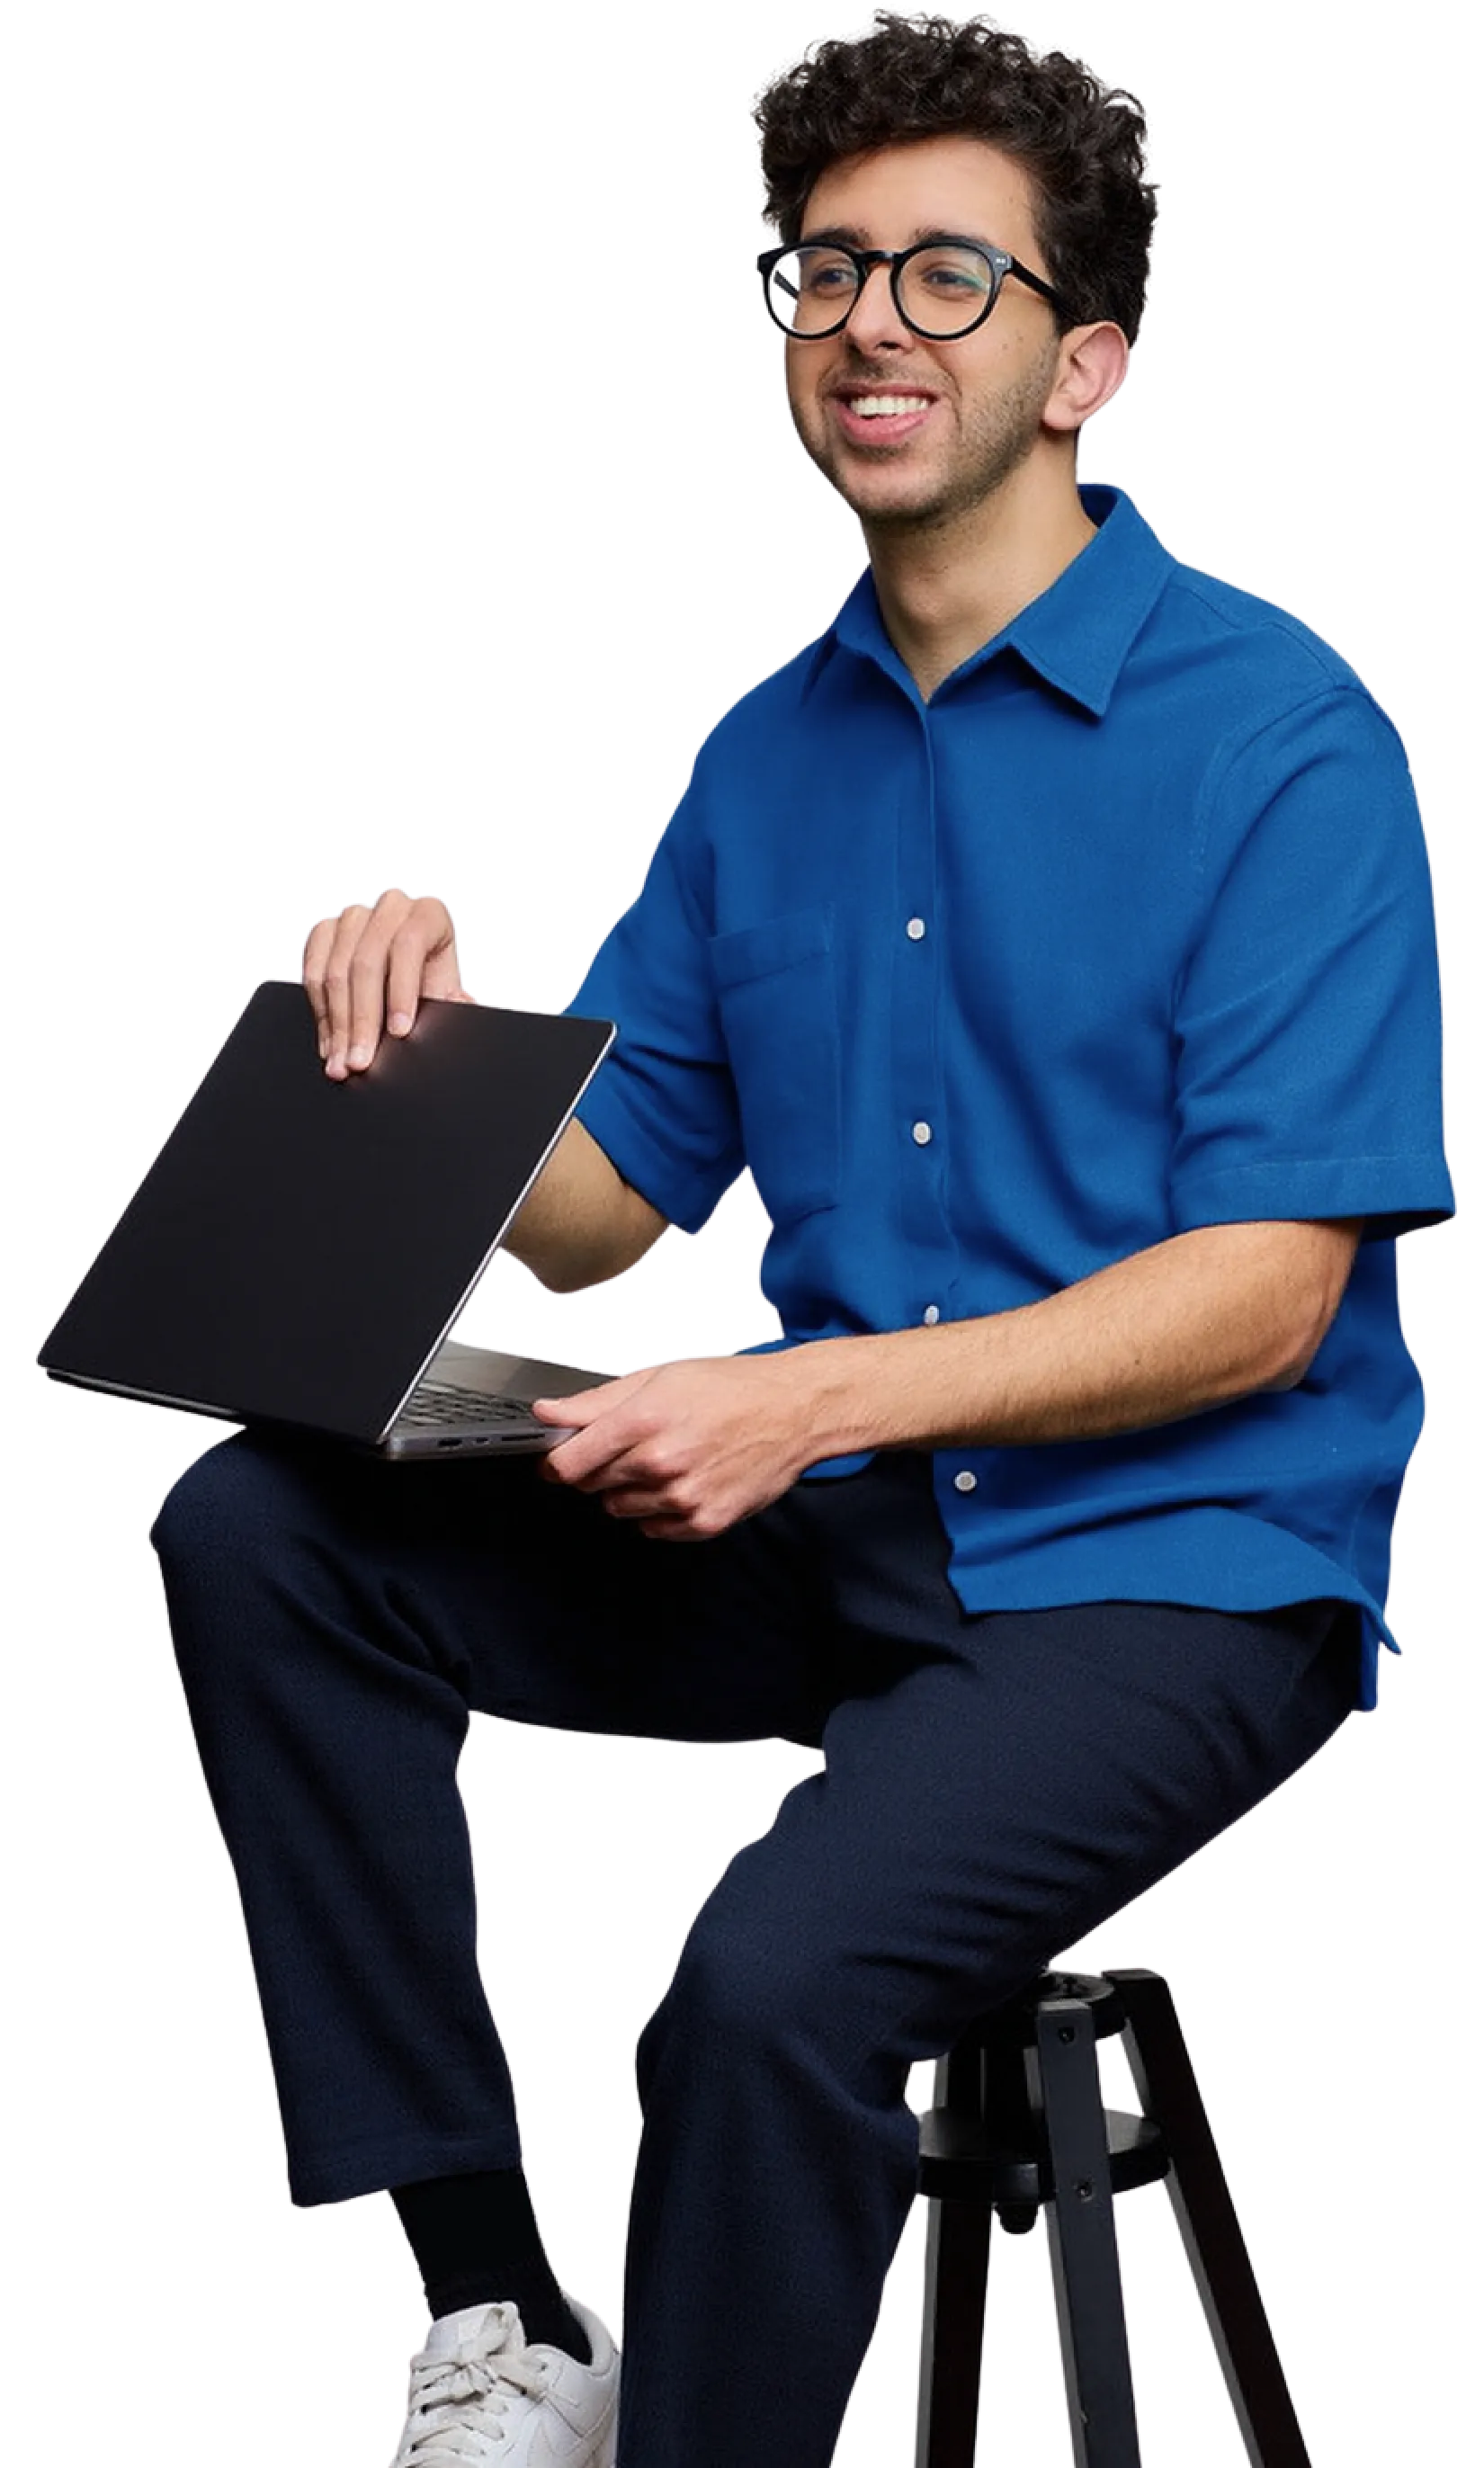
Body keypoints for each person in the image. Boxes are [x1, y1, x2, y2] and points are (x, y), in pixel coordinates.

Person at [148, 12, 1454, 2465]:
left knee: (759, 1990)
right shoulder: (769, 749)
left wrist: (814, 1396)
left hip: (1178, 1574)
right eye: (826, 271)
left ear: (1091, 358)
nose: (868, 319)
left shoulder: (1285, 731)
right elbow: (598, 1224)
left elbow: (1276, 1286)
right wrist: (419, 1029)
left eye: (951, 276)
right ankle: (498, 2310)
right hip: (838, 1528)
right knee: (259, 1520)